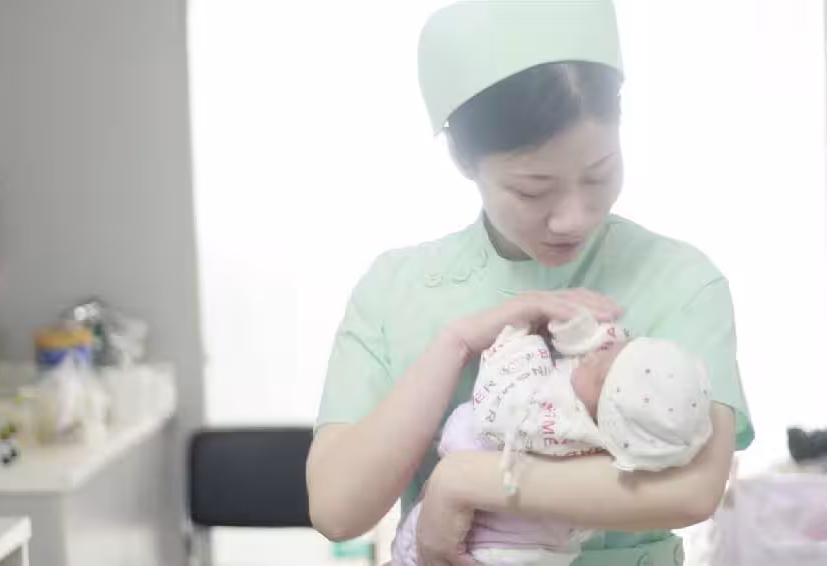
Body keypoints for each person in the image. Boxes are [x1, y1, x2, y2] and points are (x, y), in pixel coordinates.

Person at [307, 2, 753, 565]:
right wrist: (456, 343)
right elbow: (337, 509)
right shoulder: (395, 290)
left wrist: (464, 481)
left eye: (599, 173)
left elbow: (692, 489)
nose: (573, 217)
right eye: (532, 190)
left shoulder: (680, 280)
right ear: (463, 158)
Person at [391, 313, 714, 566]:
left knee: (415, 554)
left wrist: (522, 336)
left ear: (602, 410)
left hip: (490, 546)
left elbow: (501, 398)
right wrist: (579, 329)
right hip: (536, 549)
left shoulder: (555, 421)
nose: (595, 353)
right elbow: (604, 350)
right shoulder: (618, 438)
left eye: (603, 372)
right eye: (616, 348)